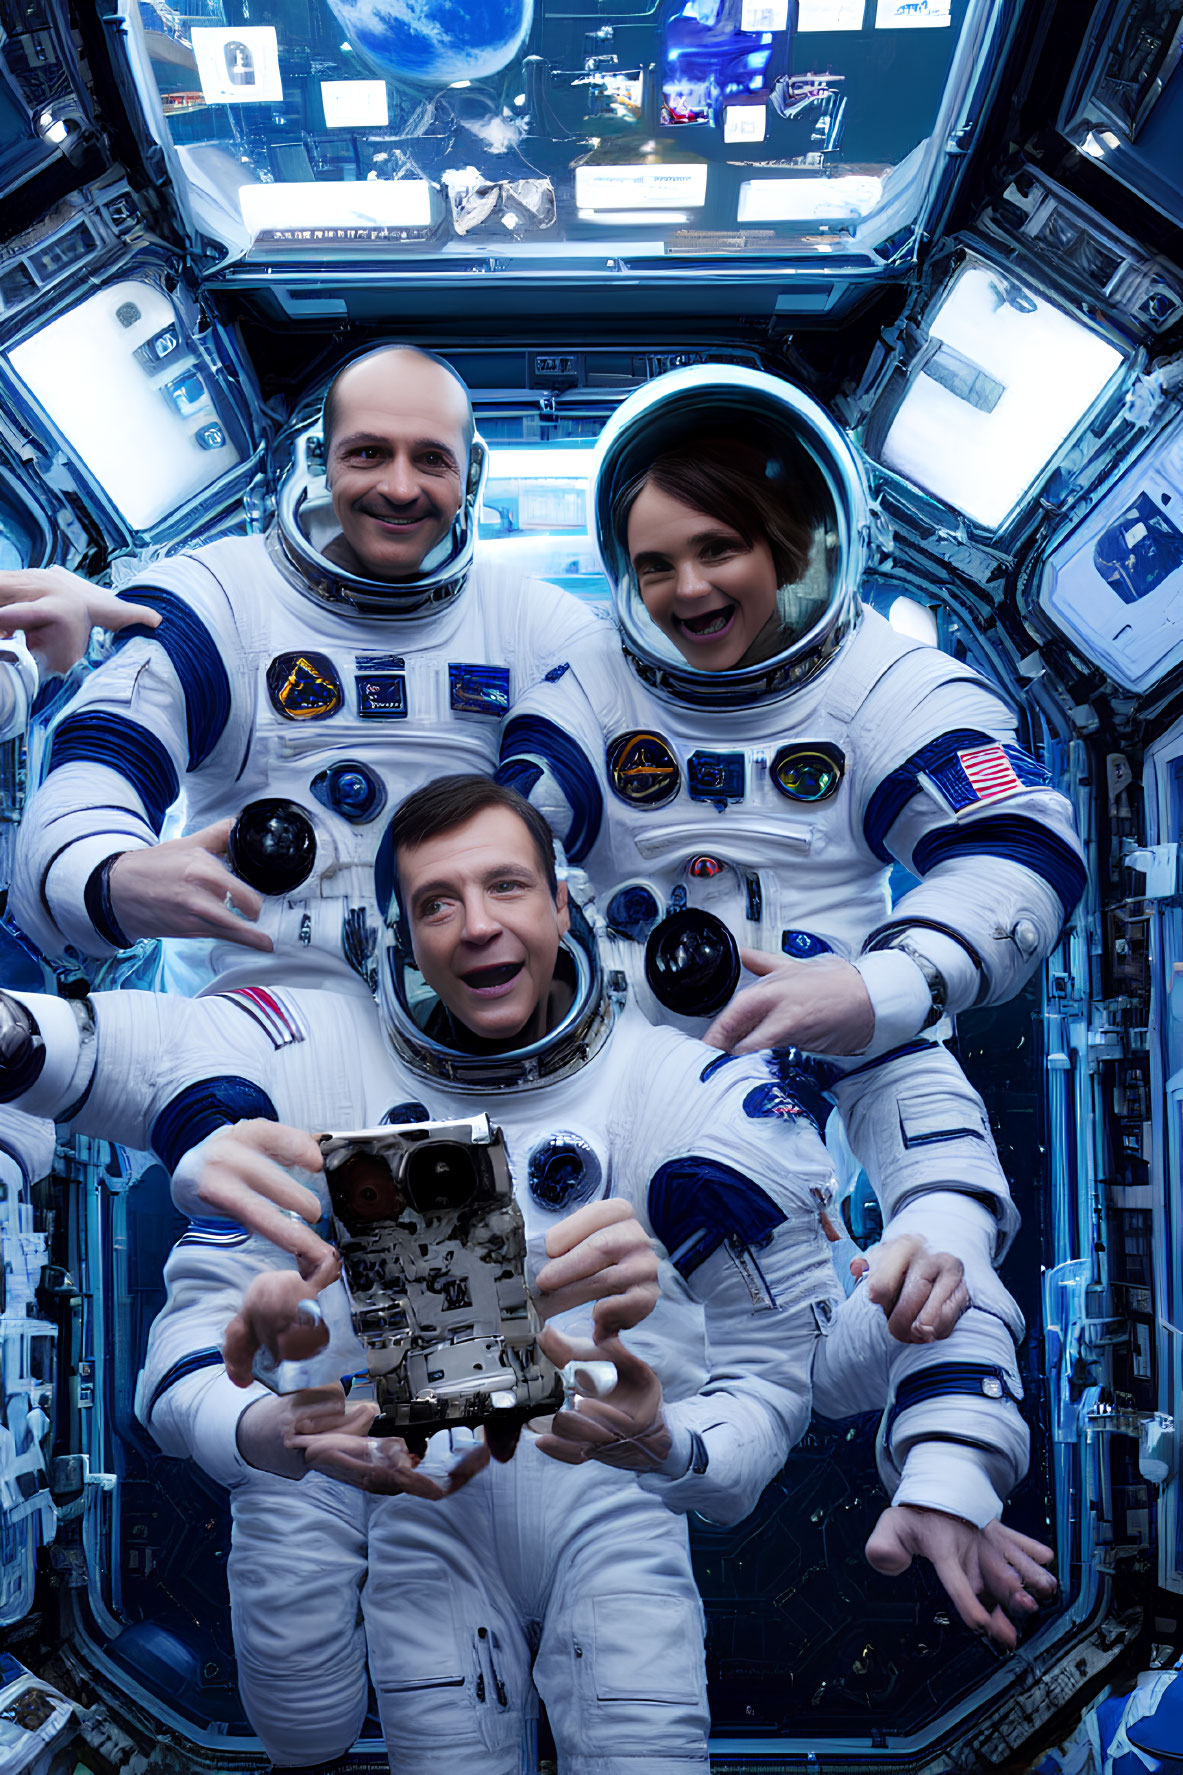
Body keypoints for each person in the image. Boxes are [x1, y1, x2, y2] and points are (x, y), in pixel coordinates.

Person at [0, 777, 1051, 1771]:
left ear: (561, 902)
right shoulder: (326, 1059)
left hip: (615, 1496)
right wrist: (265, 1434)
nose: (477, 925)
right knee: (344, 1717)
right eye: (437, 902)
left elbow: (779, 1382)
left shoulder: (677, 1084)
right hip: (431, 1495)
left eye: (506, 886)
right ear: (400, 937)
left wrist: (671, 1439)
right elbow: (117, 1052)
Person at [496, 361, 1087, 1308]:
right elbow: (492, 848)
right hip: (622, 1041)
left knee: (944, 1222)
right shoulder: (587, 693)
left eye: (717, 549)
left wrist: (876, 986)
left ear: (791, 544)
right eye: (653, 565)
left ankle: (944, 1417)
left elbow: (1012, 849)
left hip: (849, 1025)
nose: (685, 590)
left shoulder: (887, 688)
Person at [4, 345, 601, 996]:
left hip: (482, 1026)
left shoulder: (538, 627)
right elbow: (97, 767)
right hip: (250, 1019)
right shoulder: (222, 599)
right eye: (368, 453)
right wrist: (110, 875)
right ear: (318, 459)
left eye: (430, 458)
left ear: (472, 474)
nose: (400, 488)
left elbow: (651, 783)